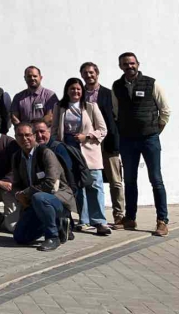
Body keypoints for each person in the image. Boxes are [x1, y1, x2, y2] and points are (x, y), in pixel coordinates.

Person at [113, 52, 170, 237]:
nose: (129, 66)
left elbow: (165, 111)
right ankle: (130, 218)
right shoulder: (117, 86)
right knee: (129, 180)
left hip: (149, 139)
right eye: (125, 64)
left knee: (156, 180)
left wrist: (154, 131)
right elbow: (115, 112)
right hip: (128, 140)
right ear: (120, 66)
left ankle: (162, 221)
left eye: (132, 63)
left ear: (138, 64)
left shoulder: (151, 83)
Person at [53, 78, 111, 236]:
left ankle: (100, 222)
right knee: (78, 187)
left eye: (78, 89)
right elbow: (54, 130)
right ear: (67, 90)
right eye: (72, 89)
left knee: (95, 186)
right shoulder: (59, 107)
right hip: (68, 150)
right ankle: (83, 221)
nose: (75, 92)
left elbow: (103, 129)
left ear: (82, 91)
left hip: (89, 151)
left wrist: (87, 137)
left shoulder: (91, 107)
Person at [11, 123, 75, 251]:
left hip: (57, 199)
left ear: (34, 136)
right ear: (16, 137)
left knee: (39, 197)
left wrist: (26, 193)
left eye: (28, 135)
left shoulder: (46, 153)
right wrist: (18, 195)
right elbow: (16, 184)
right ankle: (60, 225)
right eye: (20, 135)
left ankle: (53, 237)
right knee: (20, 237)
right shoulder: (16, 157)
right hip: (34, 201)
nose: (24, 139)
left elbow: (50, 183)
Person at [80, 61, 124, 228]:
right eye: (85, 73)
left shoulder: (108, 93)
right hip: (87, 145)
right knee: (89, 181)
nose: (89, 75)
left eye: (91, 72)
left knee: (115, 180)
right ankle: (90, 217)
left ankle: (119, 215)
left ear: (97, 73)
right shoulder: (79, 94)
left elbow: (117, 117)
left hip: (108, 143)